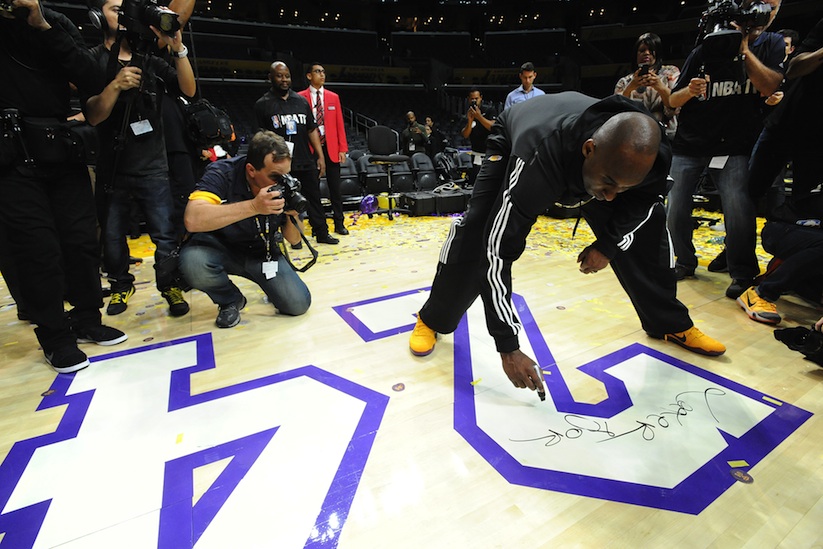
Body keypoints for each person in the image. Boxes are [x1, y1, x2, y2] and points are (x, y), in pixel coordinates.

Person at [409, 92, 725, 398]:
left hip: (592, 164)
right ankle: (432, 318)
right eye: (611, 185)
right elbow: (497, 249)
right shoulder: (538, 162)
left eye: (626, 186)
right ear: (589, 149)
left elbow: (640, 202)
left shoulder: (649, 158)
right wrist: (507, 345)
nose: (614, 196)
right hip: (522, 140)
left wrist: (608, 245)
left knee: (649, 228)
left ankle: (669, 323)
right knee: (480, 230)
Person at [0, 0, 127, 374]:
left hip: (59, 145)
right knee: (37, 248)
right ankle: (54, 335)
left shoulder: (54, 23)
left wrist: (41, 24)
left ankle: (87, 318)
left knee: (81, 240)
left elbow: (89, 77)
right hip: (11, 158)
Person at [665, 0, 785, 298]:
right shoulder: (706, 47)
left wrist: (743, 49)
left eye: (774, 5)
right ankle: (684, 261)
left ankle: (743, 272)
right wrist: (690, 91)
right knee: (675, 208)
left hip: (733, 144)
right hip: (691, 142)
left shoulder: (770, 44)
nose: (767, 11)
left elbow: (770, 85)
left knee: (738, 209)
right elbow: (672, 101)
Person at [84, 0, 195, 317]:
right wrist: (116, 86)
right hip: (113, 166)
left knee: (164, 234)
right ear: (98, 16)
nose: (120, 14)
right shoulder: (93, 60)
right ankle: (121, 285)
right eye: (112, 8)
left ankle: (169, 284)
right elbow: (93, 115)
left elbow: (187, 90)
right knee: (114, 236)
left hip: (153, 167)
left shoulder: (150, 61)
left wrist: (179, 49)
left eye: (123, 8)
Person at [179, 131, 311, 328]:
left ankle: (270, 287)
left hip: (262, 252)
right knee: (193, 262)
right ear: (251, 170)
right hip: (221, 248)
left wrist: (292, 216)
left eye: (285, 175)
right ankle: (230, 300)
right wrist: (254, 207)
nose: (281, 182)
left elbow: (294, 240)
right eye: (274, 176)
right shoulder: (221, 172)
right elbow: (193, 219)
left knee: (298, 304)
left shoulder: (284, 184)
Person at [254, 61, 337, 245]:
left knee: (314, 198)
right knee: (281, 202)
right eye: (280, 76)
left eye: (287, 76)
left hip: (304, 160)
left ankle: (322, 233)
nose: (284, 80)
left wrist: (320, 156)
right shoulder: (263, 104)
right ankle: (292, 238)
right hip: (280, 165)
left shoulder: (301, 101)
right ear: (271, 78)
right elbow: (261, 137)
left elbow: (311, 130)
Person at [297, 62, 350, 236]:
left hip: (331, 147)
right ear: (309, 76)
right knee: (312, 190)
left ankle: (339, 223)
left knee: (336, 188)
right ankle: (317, 225)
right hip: (310, 149)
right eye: (317, 71)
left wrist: (342, 148)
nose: (322, 74)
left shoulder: (333, 97)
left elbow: (339, 125)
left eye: (323, 72)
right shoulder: (299, 97)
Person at [614, 32, 680, 140]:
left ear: (657, 52)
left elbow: (675, 106)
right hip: (634, 136)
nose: (646, 53)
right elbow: (617, 111)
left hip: (666, 135)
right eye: (642, 50)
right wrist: (630, 87)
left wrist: (660, 87)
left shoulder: (671, 73)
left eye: (651, 50)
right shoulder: (625, 82)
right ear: (636, 55)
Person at [461, 88, 497, 173]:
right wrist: (470, 121)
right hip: (476, 152)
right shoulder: (466, 113)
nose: (474, 101)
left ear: (481, 98)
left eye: (476, 98)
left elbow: (493, 127)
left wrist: (479, 117)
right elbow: (465, 135)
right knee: (477, 177)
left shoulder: (489, 110)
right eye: (472, 98)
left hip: (490, 152)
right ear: (468, 99)